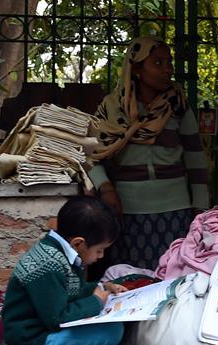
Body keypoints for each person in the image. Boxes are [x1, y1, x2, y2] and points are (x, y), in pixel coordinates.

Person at [88, 36, 209, 268]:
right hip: (127, 212)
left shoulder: (177, 105)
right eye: (158, 63)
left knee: (171, 275)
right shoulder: (111, 108)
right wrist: (106, 188)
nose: (168, 69)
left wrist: (200, 206)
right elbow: (91, 155)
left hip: (175, 212)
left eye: (169, 62)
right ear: (136, 69)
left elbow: (195, 158)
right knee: (131, 280)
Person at [2, 196, 127, 345]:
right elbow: (57, 318)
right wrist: (96, 302)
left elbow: (70, 291)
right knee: (111, 332)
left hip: (47, 329)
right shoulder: (48, 264)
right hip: (33, 341)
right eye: (99, 250)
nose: (101, 256)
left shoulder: (61, 254)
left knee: (115, 327)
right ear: (77, 244)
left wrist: (103, 288)